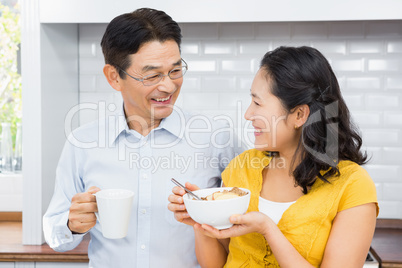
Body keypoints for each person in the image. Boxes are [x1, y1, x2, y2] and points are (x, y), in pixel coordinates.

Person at [43, 8, 243, 268]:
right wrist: (71, 224)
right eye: (152, 75)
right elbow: (54, 232)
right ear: (114, 77)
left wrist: (212, 211)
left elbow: (253, 215)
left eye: (175, 70)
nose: (168, 86)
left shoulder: (217, 138)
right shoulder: (83, 143)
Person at [169, 46, 379, 267]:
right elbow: (217, 264)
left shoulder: (353, 185)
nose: (248, 114)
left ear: (299, 115)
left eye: (257, 103)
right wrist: (202, 218)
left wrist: (267, 229)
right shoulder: (242, 167)